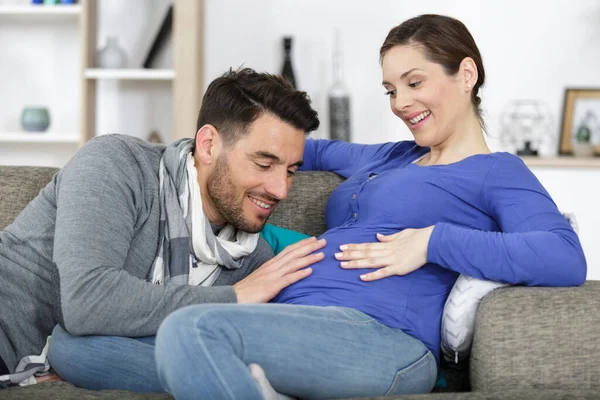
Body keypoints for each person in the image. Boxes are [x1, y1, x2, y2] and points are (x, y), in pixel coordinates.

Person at [154, 14, 587, 400]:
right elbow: (295, 146)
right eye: (390, 91)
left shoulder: (497, 172)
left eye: (414, 83)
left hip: (381, 337)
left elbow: (563, 256)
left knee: (191, 328)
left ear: (466, 74)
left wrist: (433, 242)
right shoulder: (387, 156)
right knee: (88, 352)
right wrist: (200, 152)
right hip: (288, 319)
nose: (400, 103)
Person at [0, 68, 322, 390]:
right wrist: (235, 296)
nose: (281, 189)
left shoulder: (253, 262)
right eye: (264, 165)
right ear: (208, 145)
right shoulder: (117, 165)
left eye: (291, 171)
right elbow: (88, 299)